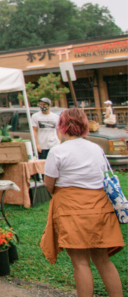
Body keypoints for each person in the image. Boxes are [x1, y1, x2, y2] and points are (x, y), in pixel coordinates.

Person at [40, 108, 124, 297]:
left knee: (80, 262)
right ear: (84, 125)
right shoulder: (96, 148)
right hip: (100, 207)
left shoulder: (57, 151)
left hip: (70, 209)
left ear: (62, 126)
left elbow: (49, 184)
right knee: (103, 260)